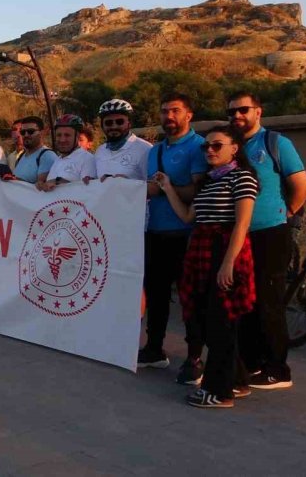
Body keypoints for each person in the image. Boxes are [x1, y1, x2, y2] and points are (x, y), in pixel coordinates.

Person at [157, 125, 258, 408]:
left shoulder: (242, 177)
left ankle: (218, 391)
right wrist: (167, 188)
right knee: (208, 318)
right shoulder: (210, 181)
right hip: (201, 249)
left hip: (225, 250)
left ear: (234, 148)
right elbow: (189, 216)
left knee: (220, 322)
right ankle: (236, 380)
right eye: (206, 146)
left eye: (217, 145)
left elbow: (241, 223)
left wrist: (227, 264)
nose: (210, 151)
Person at [228, 91, 306, 390]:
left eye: (243, 110)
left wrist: (286, 212)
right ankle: (252, 363)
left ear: (258, 112)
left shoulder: (275, 144)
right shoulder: (235, 147)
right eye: (232, 112)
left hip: (271, 233)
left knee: (269, 301)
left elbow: (302, 185)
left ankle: (278, 369)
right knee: (247, 302)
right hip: (241, 235)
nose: (237, 116)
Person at [141, 93, 209, 377]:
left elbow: (197, 191)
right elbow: (146, 188)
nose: (169, 117)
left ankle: (194, 358)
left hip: (186, 234)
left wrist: (165, 189)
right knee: (156, 296)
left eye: (176, 111)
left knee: (189, 298)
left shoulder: (199, 147)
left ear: (189, 115)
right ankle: (154, 348)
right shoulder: (154, 151)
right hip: (156, 232)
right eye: (164, 111)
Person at [94, 99, 152, 181]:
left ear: (129, 123)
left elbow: (155, 187)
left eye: (119, 122)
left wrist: (128, 183)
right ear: (102, 126)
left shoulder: (145, 149)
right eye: (108, 123)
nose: (114, 126)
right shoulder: (100, 151)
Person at [39, 114, 95, 191]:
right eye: (59, 135)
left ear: (77, 137)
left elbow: (88, 191)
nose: (62, 140)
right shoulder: (58, 160)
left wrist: (57, 181)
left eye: (67, 135)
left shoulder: (87, 159)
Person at [12, 117, 56, 185]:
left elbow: (40, 188)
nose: (26, 135)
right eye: (23, 132)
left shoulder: (47, 156)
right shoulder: (21, 156)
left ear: (41, 133)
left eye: (30, 131)